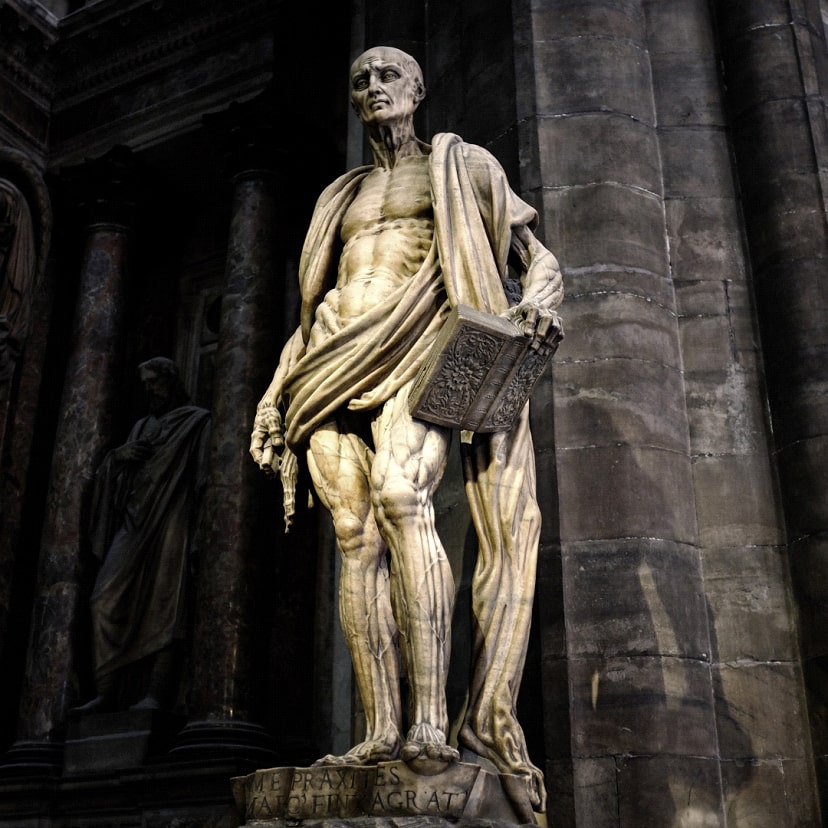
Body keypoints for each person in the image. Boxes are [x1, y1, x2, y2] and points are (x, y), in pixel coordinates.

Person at [250, 46, 562, 811]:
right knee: (353, 537)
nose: (372, 88)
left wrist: (540, 303)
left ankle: (430, 722)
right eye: (359, 79)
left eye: (387, 76)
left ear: (419, 90)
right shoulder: (340, 197)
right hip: (326, 360)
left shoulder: (461, 166)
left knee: (401, 500)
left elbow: (536, 256)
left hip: (417, 344)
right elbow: (310, 303)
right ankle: (379, 730)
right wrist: (269, 394)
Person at [76, 358, 211, 713]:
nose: (151, 390)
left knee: (166, 602)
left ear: (171, 380)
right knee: (101, 599)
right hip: (133, 522)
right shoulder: (138, 428)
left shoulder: (195, 421)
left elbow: (206, 480)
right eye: (146, 384)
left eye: (155, 382)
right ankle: (107, 689)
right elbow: (111, 480)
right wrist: (118, 458)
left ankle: (155, 694)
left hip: (172, 520)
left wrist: (201, 533)